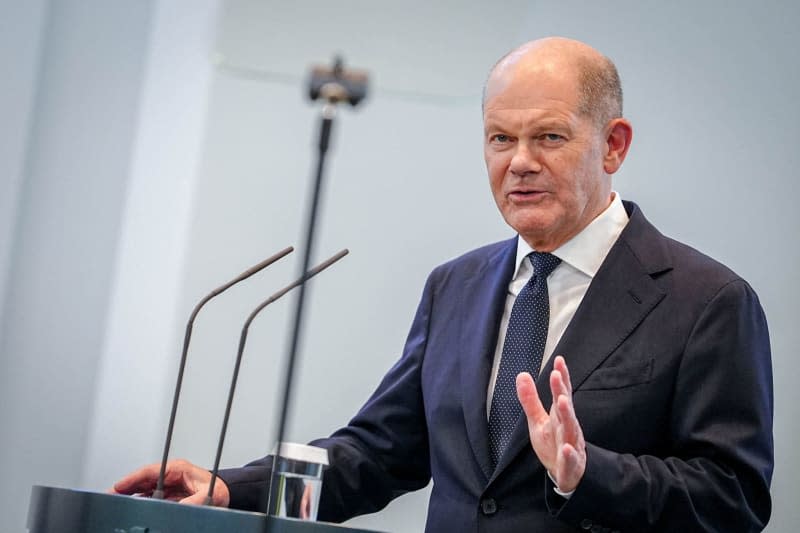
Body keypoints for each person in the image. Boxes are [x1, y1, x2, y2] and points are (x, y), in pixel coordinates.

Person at [114, 37, 774, 532]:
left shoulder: (706, 301)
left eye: (548, 136)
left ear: (613, 145)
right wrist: (235, 491)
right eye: (499, 138)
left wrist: (587, 473)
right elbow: (375, 454)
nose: (519, 162)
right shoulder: (455, 286)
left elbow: (734, 499)